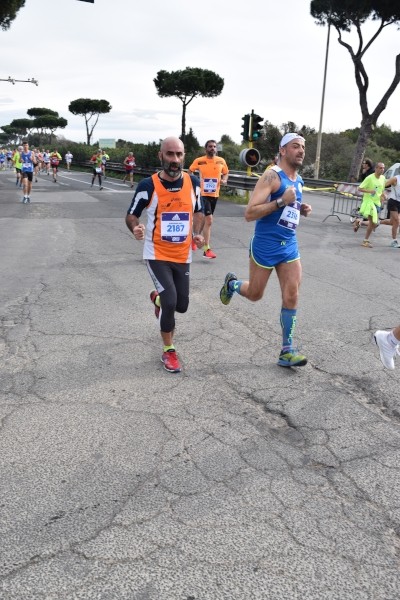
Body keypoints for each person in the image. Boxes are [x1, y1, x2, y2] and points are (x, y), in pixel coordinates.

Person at [219, 132, 312, 368]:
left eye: (303, 147)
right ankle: (232, 284)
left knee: (292, 294)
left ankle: (286, 350)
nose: (301, 150)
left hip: (289, 245)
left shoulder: (298, 179)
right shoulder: (271, 176)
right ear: (282, 150)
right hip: (264, 245)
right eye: (295, 146)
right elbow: (249, 213)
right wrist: (281, 201)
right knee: (255, 294)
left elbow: (290, 205)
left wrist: (300, 208)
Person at [125, 136, 205, 373]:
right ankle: (169, 350)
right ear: (161, 156)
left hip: (182, 254)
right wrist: (136, 228)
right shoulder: (147, 185)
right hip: (156, 252)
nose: (175, 160)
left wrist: (197, 233)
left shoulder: (194, 183)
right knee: (171, 302)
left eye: (179, 155)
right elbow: (131, 215)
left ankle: (157, 299)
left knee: (182, 305)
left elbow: (200, 211)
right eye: (170, 154)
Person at [188, 140, 229, 259]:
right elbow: (190, 171)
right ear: (206, 149)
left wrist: (224, 180)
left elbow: (226, 173)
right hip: (202, 194)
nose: (213, 148)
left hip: (215, 195)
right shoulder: (199, 160)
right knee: (209, 220)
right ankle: (207, 249)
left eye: (214, 147)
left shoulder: (221, 161)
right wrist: (195, 182)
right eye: (210, 146)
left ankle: (195, 239)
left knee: (204, 221)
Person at [353, 162, 386, 247]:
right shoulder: (369, 178)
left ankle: (359, 222)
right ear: (376, 168)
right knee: (373, 222)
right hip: (369, 202)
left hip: (377, 202)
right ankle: (365, 241)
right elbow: (359, 188)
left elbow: (381, 190)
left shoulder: (383, 178)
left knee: (374, 223)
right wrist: (369, 191)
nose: (382, 170)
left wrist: (383, 195)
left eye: (383, 168)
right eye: (380, 168)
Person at [378, 172, 400, 247]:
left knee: (392, 222)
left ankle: (378, 222)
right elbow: (382, 186)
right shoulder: (395, 179)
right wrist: (383, 194)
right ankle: (394, 241)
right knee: (397, 220)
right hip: (393, 202)